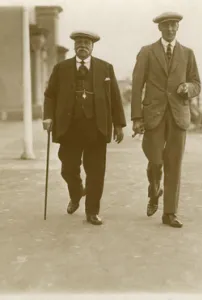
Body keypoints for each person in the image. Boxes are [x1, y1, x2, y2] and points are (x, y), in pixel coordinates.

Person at [42, 31, 126, 225]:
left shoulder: (105, 68)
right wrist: (48, 117)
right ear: (74, 46)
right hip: (69, 128)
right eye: (79, 42)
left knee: (96, 171)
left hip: (96, 128)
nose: (83, 45)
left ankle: (92, 211)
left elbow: (115, 98)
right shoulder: (61, 68)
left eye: (86, 43)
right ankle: (76, 192)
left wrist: (119, 125)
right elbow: (50, 95)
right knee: (68, 168)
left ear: (92, 46)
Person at [131, 12, 201, 228]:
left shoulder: (188, 53)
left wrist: (187, 88)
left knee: (174, 164)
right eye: (166, 26)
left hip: (179, 115)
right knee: (155, 159)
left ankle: (169, 213)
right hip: (153, 116)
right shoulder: (147, 52)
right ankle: (154, 188)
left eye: (174, 25)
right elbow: (137, 85)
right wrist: (136, 117)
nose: (170, 29)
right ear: (159, 28)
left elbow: (196, 83)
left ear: (178, 27)